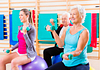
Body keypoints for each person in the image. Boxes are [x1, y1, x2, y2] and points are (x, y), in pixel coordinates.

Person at [45, 5, 89, 70]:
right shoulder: (66, 29)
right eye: (71, 14)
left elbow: (78, 50)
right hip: (66, 63)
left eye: (74, 14)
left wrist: (69, 54)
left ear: (81, 16)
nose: (72, 16)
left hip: (80, 64)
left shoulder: (84, 31)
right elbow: (60, 44)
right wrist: (53, 31)